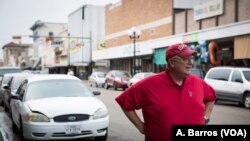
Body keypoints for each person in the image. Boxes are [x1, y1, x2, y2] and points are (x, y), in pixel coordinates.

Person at [115, 43, 216, 141]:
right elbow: (124, 102)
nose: (190, 63)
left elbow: (211, 97)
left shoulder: (199, 83)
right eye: (185, 59)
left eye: (191, 58)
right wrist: (140, 126)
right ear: (172, 63)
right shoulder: (149, 84)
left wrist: (205, 117)